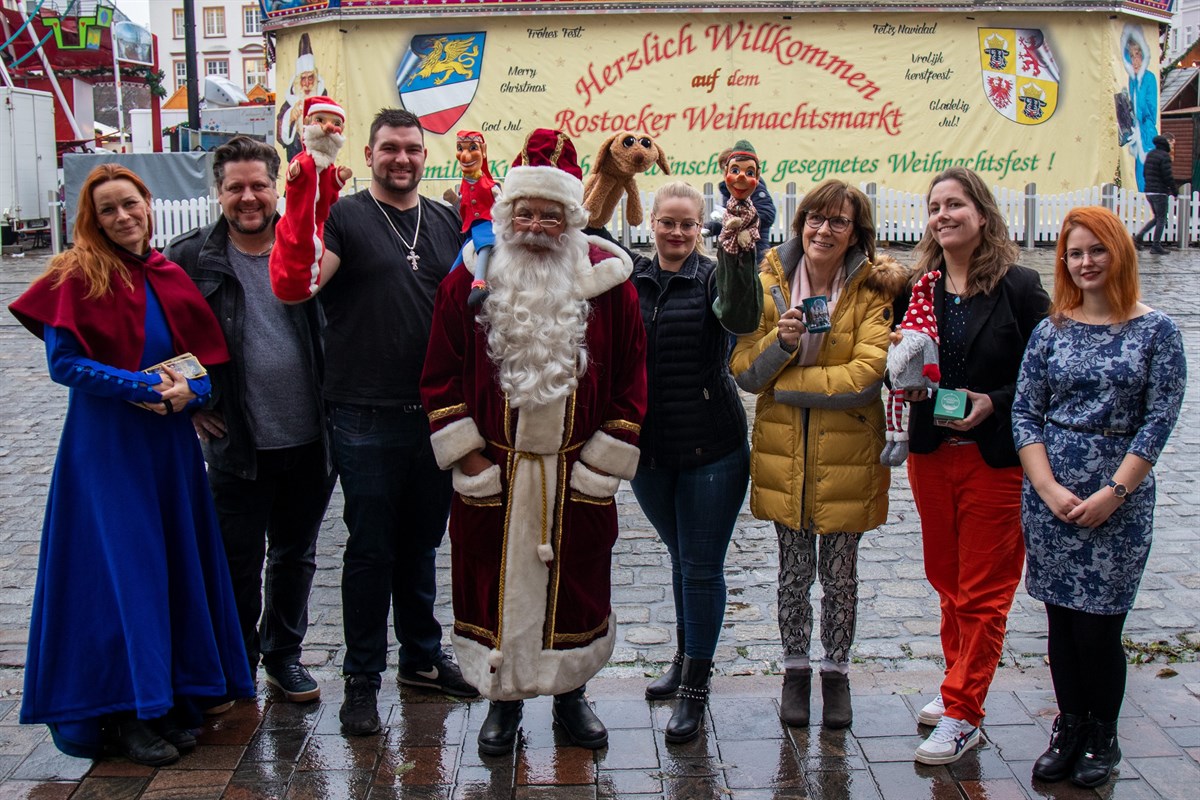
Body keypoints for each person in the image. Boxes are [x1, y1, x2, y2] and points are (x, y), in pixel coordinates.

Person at [8, 164, 254, 765]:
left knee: (171, 568)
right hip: (108, 447)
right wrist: (138, 384)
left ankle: (166, 697)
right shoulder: (75, 275)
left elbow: (197, 364)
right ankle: (123, 713)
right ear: (92, 220)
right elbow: (63, 364)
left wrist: (188, 394)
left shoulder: (168, 273)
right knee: (122, 575)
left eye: (130, 204)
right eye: (108, 210)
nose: (123, 217)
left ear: (148, 204)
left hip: (167, 449)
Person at [420, 128, 647, 756]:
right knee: (488, 585)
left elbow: (632, 381)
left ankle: (572, 696)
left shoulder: (611, 286)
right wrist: (469, 459)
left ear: (573, 218)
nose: (538, 224)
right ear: (507, 213)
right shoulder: (466, 282)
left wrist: (600, 469)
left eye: (552, 214)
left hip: (577, 475)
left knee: (575, 586)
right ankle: (505, 704)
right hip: (493, 471)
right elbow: (438, 374)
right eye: (526, 211)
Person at [269, 108, 479, 737]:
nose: (402, 159)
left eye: (413, 149)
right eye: (390, 148)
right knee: (369, 550)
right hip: (364, 412)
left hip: (437, 414)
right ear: (369, 153)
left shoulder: (443, 221)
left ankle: (420, 657)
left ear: (425, 155)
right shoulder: (345, 218)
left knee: (420, 545)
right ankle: (362, 678)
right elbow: (302, 285)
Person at [1013, 207, 1186, 788]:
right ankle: (1069, 727)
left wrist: (1115, 491)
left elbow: (1158, 422)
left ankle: (1103, 733)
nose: (1084, 262)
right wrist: (1047, 488)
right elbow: (1025, 412)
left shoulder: (1156, 331)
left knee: (1099, 626)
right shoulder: (1050, 330)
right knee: (1059, 621)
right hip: (1050, 500)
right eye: (1074, 252)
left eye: (1096, 250)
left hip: (1119, 503)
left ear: (1119, 253)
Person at [730, 179, 907, 731]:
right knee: (792, 573)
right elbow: (744, 373)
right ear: (800, 221)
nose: (823, 230)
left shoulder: (872, 290)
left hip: (849, 456)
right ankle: (795, 672)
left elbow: (865, 376)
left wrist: (787, 383)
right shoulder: (768, 283)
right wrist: (778, 345)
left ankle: (836, 673)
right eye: (815, 218)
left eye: (838, 221)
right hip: (786, 457)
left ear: (857, 232)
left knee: (841, 576)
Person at [166, 136, 335, 704]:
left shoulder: (311, 244)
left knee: (294, 555)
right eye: (235, 187)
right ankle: (235, 658)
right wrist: (193, 403)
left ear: (276, 187)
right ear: (217, 192)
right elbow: (160, 342)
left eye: (259, 185)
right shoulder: (188, 258)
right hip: (236, 440)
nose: (248, 198)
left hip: (311, 439)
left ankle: (283, 655)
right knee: (236, 559)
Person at [900, 167, 1050, 766]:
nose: (943, 215)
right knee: (947, 581)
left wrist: (996, 402)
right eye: (935, 207)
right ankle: (956, 679)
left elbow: (1046, 377)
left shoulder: (1020, 287)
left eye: (955, 204)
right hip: (932, 456)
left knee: (985, 592)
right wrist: (905, 380)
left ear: (981, 214)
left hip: (994, 460)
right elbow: (905, 356)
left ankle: (965, 712)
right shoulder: (919, 287)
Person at [629, 181, 759, 743]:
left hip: (712, 449)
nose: (677, 232)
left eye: (687, 224)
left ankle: (695, 689)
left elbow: (743, 315)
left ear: (701, 226)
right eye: (667, 222)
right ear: (651, 223)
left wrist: (739, 258)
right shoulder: (629, 279)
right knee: (681, 558)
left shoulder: (715, 277)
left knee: (702, 567)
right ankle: (685, 658)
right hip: (649, 452)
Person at [704, 145, 777, 264]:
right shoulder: (729, 191)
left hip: (755, 252)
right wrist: (717, 226)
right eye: (725, 169)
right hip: (734, 253)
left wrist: (740, 222)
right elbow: (730, 220)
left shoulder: (754, 188)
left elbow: (767, 214)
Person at [277, 33, 325, 162]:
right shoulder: (290, 102)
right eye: (303, 79)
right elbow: (281, 137)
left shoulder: (323, 97)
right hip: (297, 159)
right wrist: (290, 118)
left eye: (311, 78)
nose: (307, 84)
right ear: (297, 81)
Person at [1134, 134, 1176, 256]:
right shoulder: (1164, 156)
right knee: (1162, 219)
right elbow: (1167, 176)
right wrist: (1174, 190)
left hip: (1149, 191)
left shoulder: (1150, 155)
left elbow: (1144, 173)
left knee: (1157, 218)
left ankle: (1139, 237)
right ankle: (1156, 245)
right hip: (1160, 192)